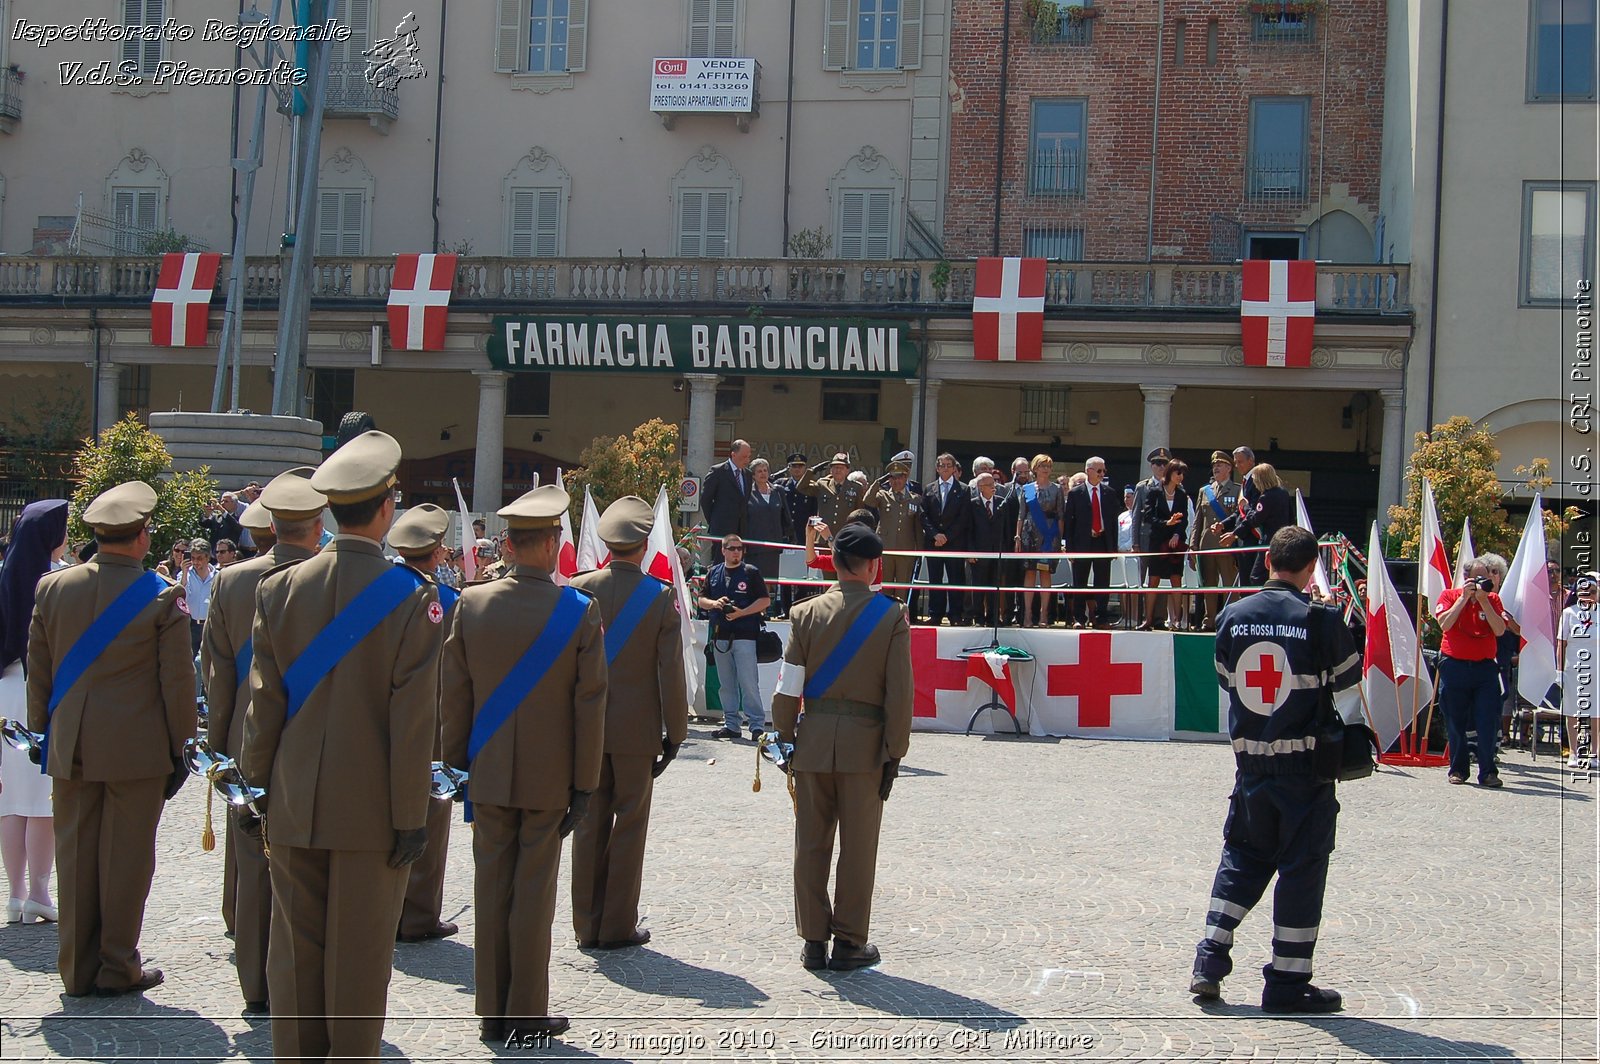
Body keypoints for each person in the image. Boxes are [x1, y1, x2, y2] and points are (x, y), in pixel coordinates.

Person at [241, 431, 439, 1059]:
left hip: (294, 799)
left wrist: (255, 792)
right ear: (386, 508)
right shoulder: (413, 597)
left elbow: (262, 706)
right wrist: (412, 818)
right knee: (359, 955)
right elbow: (412, 726)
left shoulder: (278, 588)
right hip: (372, 810)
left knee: (295, 951)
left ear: (330, 510)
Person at [441, 484, 606, 1044]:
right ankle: (526, 1010)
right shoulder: (579, 612)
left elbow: (454, 697)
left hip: (486, 771)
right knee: (533, 894)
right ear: (555, 542)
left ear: (508, 545)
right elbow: (590, 708)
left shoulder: (471, 602)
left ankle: (491, 1010)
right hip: (547, 777)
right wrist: (584, 785)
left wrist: (455, 765)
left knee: (491, 889)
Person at [27, 481, 195, 997]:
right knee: (126, 859)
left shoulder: (52, 588)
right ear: (142, 536)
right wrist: (181, 747)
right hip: (136, 749)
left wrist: (42, 736)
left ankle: (77, 968)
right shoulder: (163, 595)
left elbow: (41, 672)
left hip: (70, 742)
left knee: (75, 855)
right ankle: (117, 963)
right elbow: (176, 682)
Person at [1190, 526, 1361, 1013]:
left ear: (1267, 560)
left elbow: (1227, 681)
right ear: (1311, 572)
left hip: (1251, 767)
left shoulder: (1232, 616)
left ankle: (1208, 962)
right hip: (1306, 772)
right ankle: (1287, 983)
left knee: (1242, 859)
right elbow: (1350, 694)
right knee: (1302, 871)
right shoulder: (1319, 620)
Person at [200, 469, 327, 1013]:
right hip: (315, 739)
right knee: (314, 863)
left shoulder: (228, 582)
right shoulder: (334, 579)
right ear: (317, 527)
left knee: (252, 865)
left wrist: (225, 747)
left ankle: (257, 986)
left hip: (244, 738)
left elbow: (219, 679)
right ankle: (310, 984)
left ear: (269, 525)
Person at [772, 523, 912, 972]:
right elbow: (899, 695)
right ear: (876, 568)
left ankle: (813, 939)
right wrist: (895, 752)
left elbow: (787, 687)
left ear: (832, 563)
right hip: (865, 749)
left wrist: (786, 739)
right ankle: (849, 941)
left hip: (812, 743)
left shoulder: (805, 613)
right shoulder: (891, 616)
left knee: (810, 843)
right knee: (857, 847)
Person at [569, 496, 688, 951]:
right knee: (630, 824)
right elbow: (670, 673)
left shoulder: (580, 590)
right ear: (642, 545)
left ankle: (586, 924)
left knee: (588, 823)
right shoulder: (659, 598)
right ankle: (617, 924)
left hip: (588, 729)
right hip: (638, 733)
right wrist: (675, 734)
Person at [387, 504, 464, 945]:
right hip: (431, 717)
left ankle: (385, 906)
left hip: (376, 717)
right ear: (435, 553)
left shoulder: (372, 590)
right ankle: (418, 914)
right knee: (430, 816)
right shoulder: (445, 600)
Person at [0, 500, 69, 926]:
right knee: (42, 799)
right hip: (41, 690)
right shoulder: (58, 580)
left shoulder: (4, 574)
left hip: (6, 690)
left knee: (12, 799)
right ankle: (41, 891)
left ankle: (15, 893)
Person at [1434, 555, 1513, 787]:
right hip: (1454, 665)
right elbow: (1444, 624)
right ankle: (1458, 769)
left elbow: (1499, 630)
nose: (1482, 581)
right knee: (1455, 720)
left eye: (1485, 577)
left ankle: (1488, 771)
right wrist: (1464, 599)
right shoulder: (1449, 595)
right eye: (1477, 577)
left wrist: (1484, 601)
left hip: (1484, 668)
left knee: (1487, 720)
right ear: (1466, 578)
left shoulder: (1494, 599)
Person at [699, 534, 771, 741]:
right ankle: (731, 724)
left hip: (745, 635)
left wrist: (742, 612)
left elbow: (765, 600)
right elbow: (701, 599)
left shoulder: (750, 572)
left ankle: (756, 725)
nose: (736, 552)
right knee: (726, 683)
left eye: (740, 548)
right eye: (732, 548)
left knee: (748, 682)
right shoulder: (713, 572)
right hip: (721, 635)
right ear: (723, 550)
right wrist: (714, 604)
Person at [1216, 464, 1295, 586]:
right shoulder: (1283, 493)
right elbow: (1291, 517)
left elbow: (1254, 519)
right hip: (1284, 540)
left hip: (1269, 542)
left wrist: (1245, 506)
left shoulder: (1266, 497)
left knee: (1256, 576)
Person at [1189, 451, 1242, 630]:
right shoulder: (1205, 491)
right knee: (1208, 586)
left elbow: (1239, 517)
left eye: (1220, 465)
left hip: (1226, 545)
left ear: (1229, 468)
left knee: (1230, 584)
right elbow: (1197, 520)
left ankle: (1231, 619)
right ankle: (1209, 619)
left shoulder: (1237, 490)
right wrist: (1193, 545)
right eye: (1214, 465)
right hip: (1207, 545)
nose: (1216, 468)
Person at [1064, 456, 1119, 629]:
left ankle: (1101, 618)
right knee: (1080, 582)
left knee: (1102, 583)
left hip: (1103, 542)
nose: (1102, 474)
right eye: (1099, 470)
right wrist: (1070, 549)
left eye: (1104, 471)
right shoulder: (1075, 493)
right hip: (1082, 543)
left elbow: (1112, 522)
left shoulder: (1109, 493)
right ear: (1089, 471)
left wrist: (1113, 549)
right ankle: (1079, 618)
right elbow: (1069, 523)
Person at [920, 453, 972, 626]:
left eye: (949, 465)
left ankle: (955, 614)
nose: (945, 468)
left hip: (954, 543)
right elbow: (923, 515)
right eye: (942, 465)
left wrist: (947, 536)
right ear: (937, 468)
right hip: (933, 542)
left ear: (954, 468)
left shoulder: (964, 489)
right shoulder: (929, 489)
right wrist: (935, 534)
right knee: (935, 579)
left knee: (955, 578)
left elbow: (963, 518)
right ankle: (935, 614)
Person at [1140, 459, 1191, 631]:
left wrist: (1176, 532)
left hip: (1175, 543)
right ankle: (1148, 619)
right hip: (1157, 542)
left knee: (1176, 579)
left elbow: (1183, 519)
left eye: (1183, 474)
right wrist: (1166, 523)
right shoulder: (1154, 492)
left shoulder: (1182, 494)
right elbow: (1148, 517)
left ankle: (1177, 620)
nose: (1181, 477)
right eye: (1178, 473)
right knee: (1153, 579)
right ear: (1170, 473)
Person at [1016, 454, 1063, 628]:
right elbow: (1021, 515)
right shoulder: (1026, 489)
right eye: (1043, 466)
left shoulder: (1057, 489)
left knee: (1044, 573)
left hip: (1049, 535)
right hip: (1029, 533)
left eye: (1049, 466)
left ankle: (1044, 614)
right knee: (1029, 573)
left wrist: (1059, 539)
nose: (1046, 469)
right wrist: (1018, 536)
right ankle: (1027, 614)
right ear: (1035, 468)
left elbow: (1060, 515)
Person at [968, 472, 1017, 628]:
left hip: (998, 551)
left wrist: (1007, 550)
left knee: (994, 586)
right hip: (979, 552)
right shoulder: (972, 504)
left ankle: (993, 617)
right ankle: (978, 617)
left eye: (993, 484)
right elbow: (968, 529)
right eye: (989, 485)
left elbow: (1008, 529)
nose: (993, 487)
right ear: (981, 487)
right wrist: (970, 551)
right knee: (979, 586)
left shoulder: (1001, 503)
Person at [868, 461, 921, 606]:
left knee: (902, 586)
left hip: (906, 549)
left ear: (905, 478)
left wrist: (920, 551)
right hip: (885, 548)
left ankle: (900, 616)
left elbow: (917, 526)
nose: (896, 481)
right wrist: (878, 482)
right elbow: (868, 500)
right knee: (885, 584)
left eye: (900, 477)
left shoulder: (915, 498)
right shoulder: (883, 495)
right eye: (893, 478)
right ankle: (885, 615)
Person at [1558, 576, 1596, 768]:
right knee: (1573, 710)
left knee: (1596, 712)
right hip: (1574, 668)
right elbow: (1561, 644)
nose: (1589, 596)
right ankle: (1574, 751)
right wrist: (1559, 670)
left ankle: (1595, 752)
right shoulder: (1568, 613)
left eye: (1593, 592)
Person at [1130, 448, 1171, 627]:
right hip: (1145, 539)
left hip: (1162, 540)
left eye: (1164, 463)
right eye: (1157, 463)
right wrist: (1135, 543)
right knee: (1141, 581)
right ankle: (1140, 617)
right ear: (1151, 466)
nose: (1161, 467)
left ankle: (1158, 618)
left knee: (1160, 579)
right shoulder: (1142, 486)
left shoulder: (1173, 485)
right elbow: (1136, 517)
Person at [744, 458, 790, 604]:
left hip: (773, 544)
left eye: (765, 470)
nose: (763, 474)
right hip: (755, 544)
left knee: (770, 580)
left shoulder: (778, 491)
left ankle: (766, 608)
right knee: (755, 579)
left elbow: (786, 516)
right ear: (753, 475)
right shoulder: (747, 493)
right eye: (759, 471)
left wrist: (789, 536)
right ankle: (756, 608)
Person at [700, 440, 753, 565]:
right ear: (733, 454)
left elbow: (745, 500)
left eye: (749, 456)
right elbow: (706, 499)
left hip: (741, 529)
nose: (747, 460)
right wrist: (714, 520)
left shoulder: (748, 474)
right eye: (744, 457)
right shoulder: (718, 471)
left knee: (738, 563)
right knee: (720, 563)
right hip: (721, 528)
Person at [796, 453, 866, 535]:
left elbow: (859, 512)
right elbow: (801, 488)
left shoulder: (856, 488)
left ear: (847, 471)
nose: (838, 470)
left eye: (841, 468)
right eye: (835, 467)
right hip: (823, 534)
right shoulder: (822, 484)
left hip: (844, 534)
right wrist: (811, 471)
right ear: (831, 470)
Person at [178, 541, 218, 656]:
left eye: (199, 558)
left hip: (210, 626)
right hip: (191, 626)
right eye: (193, 558)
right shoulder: (184, 575)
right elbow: (182, 597)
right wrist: (185, 574)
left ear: (208, 557)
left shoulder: (217, 576)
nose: (195, 562)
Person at [1115, 486, 1139, 628]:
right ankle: (1125, 615)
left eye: (1129, 496)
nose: (1126, 499)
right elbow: (1118, 534)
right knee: (1123, 588)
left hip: (1133, 555)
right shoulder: (1122, 516)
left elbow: (1134, 536)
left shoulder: (1139, 514)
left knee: (1134, 588)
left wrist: (1125, 547)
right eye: (1125, 497)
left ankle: (1134, 617)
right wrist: (1119, 548)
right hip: (1121, 555)